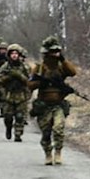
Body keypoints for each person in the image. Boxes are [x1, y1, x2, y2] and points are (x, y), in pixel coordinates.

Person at [30, 36, 80, 165]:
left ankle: (58, 152)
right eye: (53, 52)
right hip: (44, 104)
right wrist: (41, 83)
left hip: (58, 104)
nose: (55, 54)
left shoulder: (61, 66)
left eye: (57, 52)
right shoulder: (40, 68)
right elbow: (29, 85)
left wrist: (63, 60)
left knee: (59, 128)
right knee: (46, 132)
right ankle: (48, 153)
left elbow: (73, 72)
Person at [0, 43, 32, 141]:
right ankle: (8, 128)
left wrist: (19, 76)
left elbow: (29, 81)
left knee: (20, 116)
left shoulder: (25, 67)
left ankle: (18, 134)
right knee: (8, 116)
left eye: (16, 54)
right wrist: (8, 77)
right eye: (12, 53)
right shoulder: (5, 67)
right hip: (8, 94)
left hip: (21, 94)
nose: (14, 55)